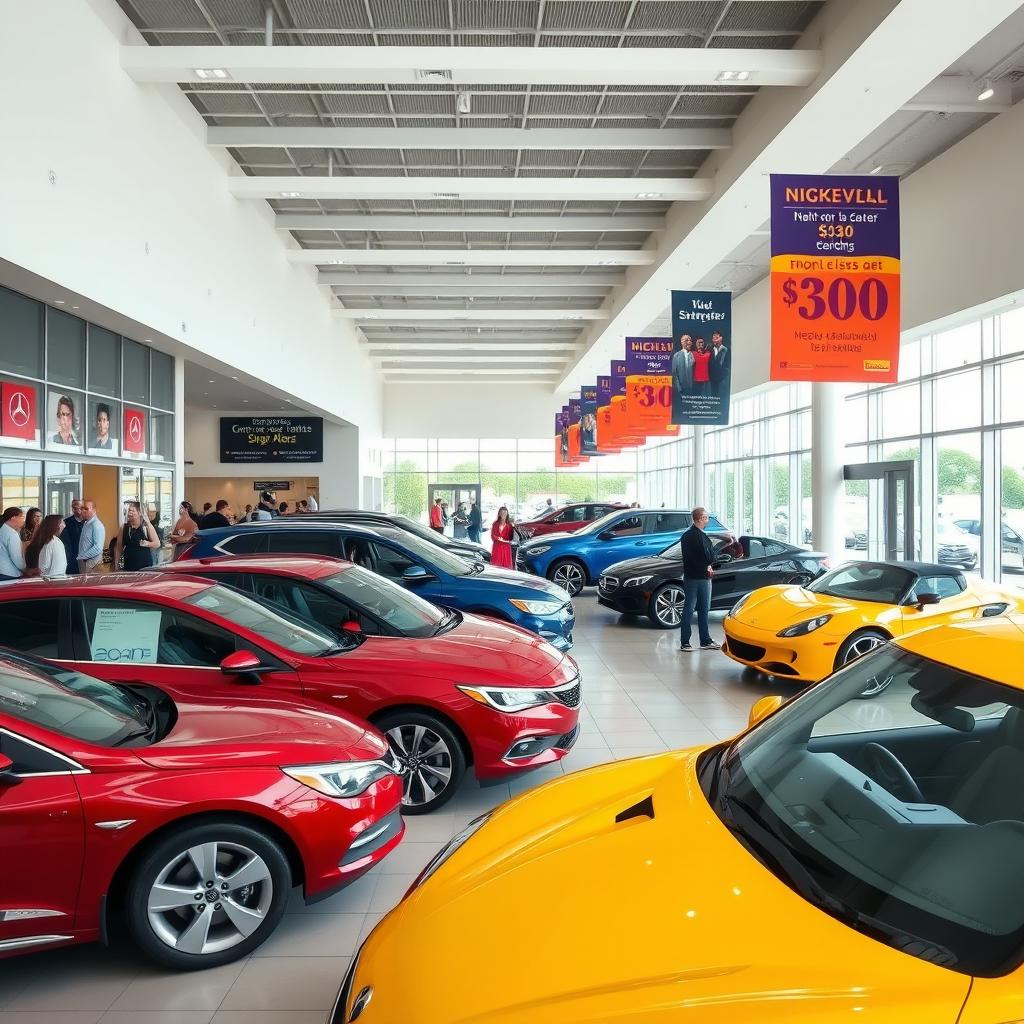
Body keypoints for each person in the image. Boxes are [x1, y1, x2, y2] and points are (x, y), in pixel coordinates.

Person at [678, 506, 719, 653]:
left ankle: (686, 642)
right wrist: (709, 564)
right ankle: (704, 640)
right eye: (706, 517)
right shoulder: (698, 536)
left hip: (691, 576)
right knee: (701, 610)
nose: (707, 519)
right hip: (701, 578)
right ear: (700, 519)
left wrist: (707, 563)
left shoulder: (687, 535)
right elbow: (709, 556)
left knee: (689, 610)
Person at [116, 501, 161, 571]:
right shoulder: (123, 527)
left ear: (139, 512)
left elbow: (157, 544)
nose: (129, 513)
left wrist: (146, 543)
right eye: (128, 511)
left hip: (145, 568)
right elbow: (118, 548)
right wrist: (117, 566)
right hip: (129, 567)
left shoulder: (146, 526)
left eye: (132, 511)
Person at [77, 499, 106, 574]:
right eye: (82, 508)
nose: (83, 511)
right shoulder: (87, 523)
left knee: (89, 585)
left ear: (94, 510)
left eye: (86, 509)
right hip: (86, 562)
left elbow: (98, 548)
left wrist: (82, 556)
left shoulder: (96, 525)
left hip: (92, 564)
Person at [671, 335, 695, 421]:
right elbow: (674, 374)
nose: (689, 342)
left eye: (690, 340)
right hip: (681, 389)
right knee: (683, 409)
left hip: (693, 388)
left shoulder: (694, 355)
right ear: (682, 342)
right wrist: (679, 388)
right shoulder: (676, 356)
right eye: (686, 340)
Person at [0, 508, 27, 581]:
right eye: (22, 517)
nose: (24, 520)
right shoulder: (12, 534)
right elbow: (17, 558)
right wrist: (26, 569)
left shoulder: (2, 530)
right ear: (13, 517)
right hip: (9, 574)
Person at [62, 499, 84, 565]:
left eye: (78, 506)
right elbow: (65, 541)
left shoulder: (88, 522)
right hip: (71, 558)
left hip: (85, 557)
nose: (76, 509)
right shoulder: (66, 522)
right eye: (74, 507)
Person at [709, 331, 731, 399]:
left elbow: (728, 364)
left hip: (723, 379)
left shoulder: (727, 350)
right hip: (712, 378)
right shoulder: (710, 349)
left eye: (717, 337)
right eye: (713, 338)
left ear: (721, 338)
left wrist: (724, 375)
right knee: (713, 396)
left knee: (722, 398)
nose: (715, 339)